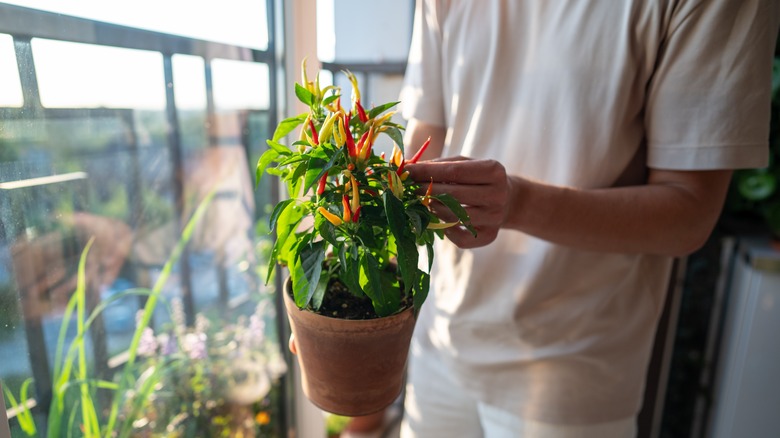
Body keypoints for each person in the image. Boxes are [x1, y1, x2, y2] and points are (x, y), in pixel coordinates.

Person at [398, 1, 780, 437]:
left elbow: (689, 213)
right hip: (440, 334)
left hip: (573, 369)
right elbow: (428, 133)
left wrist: (518, 202)